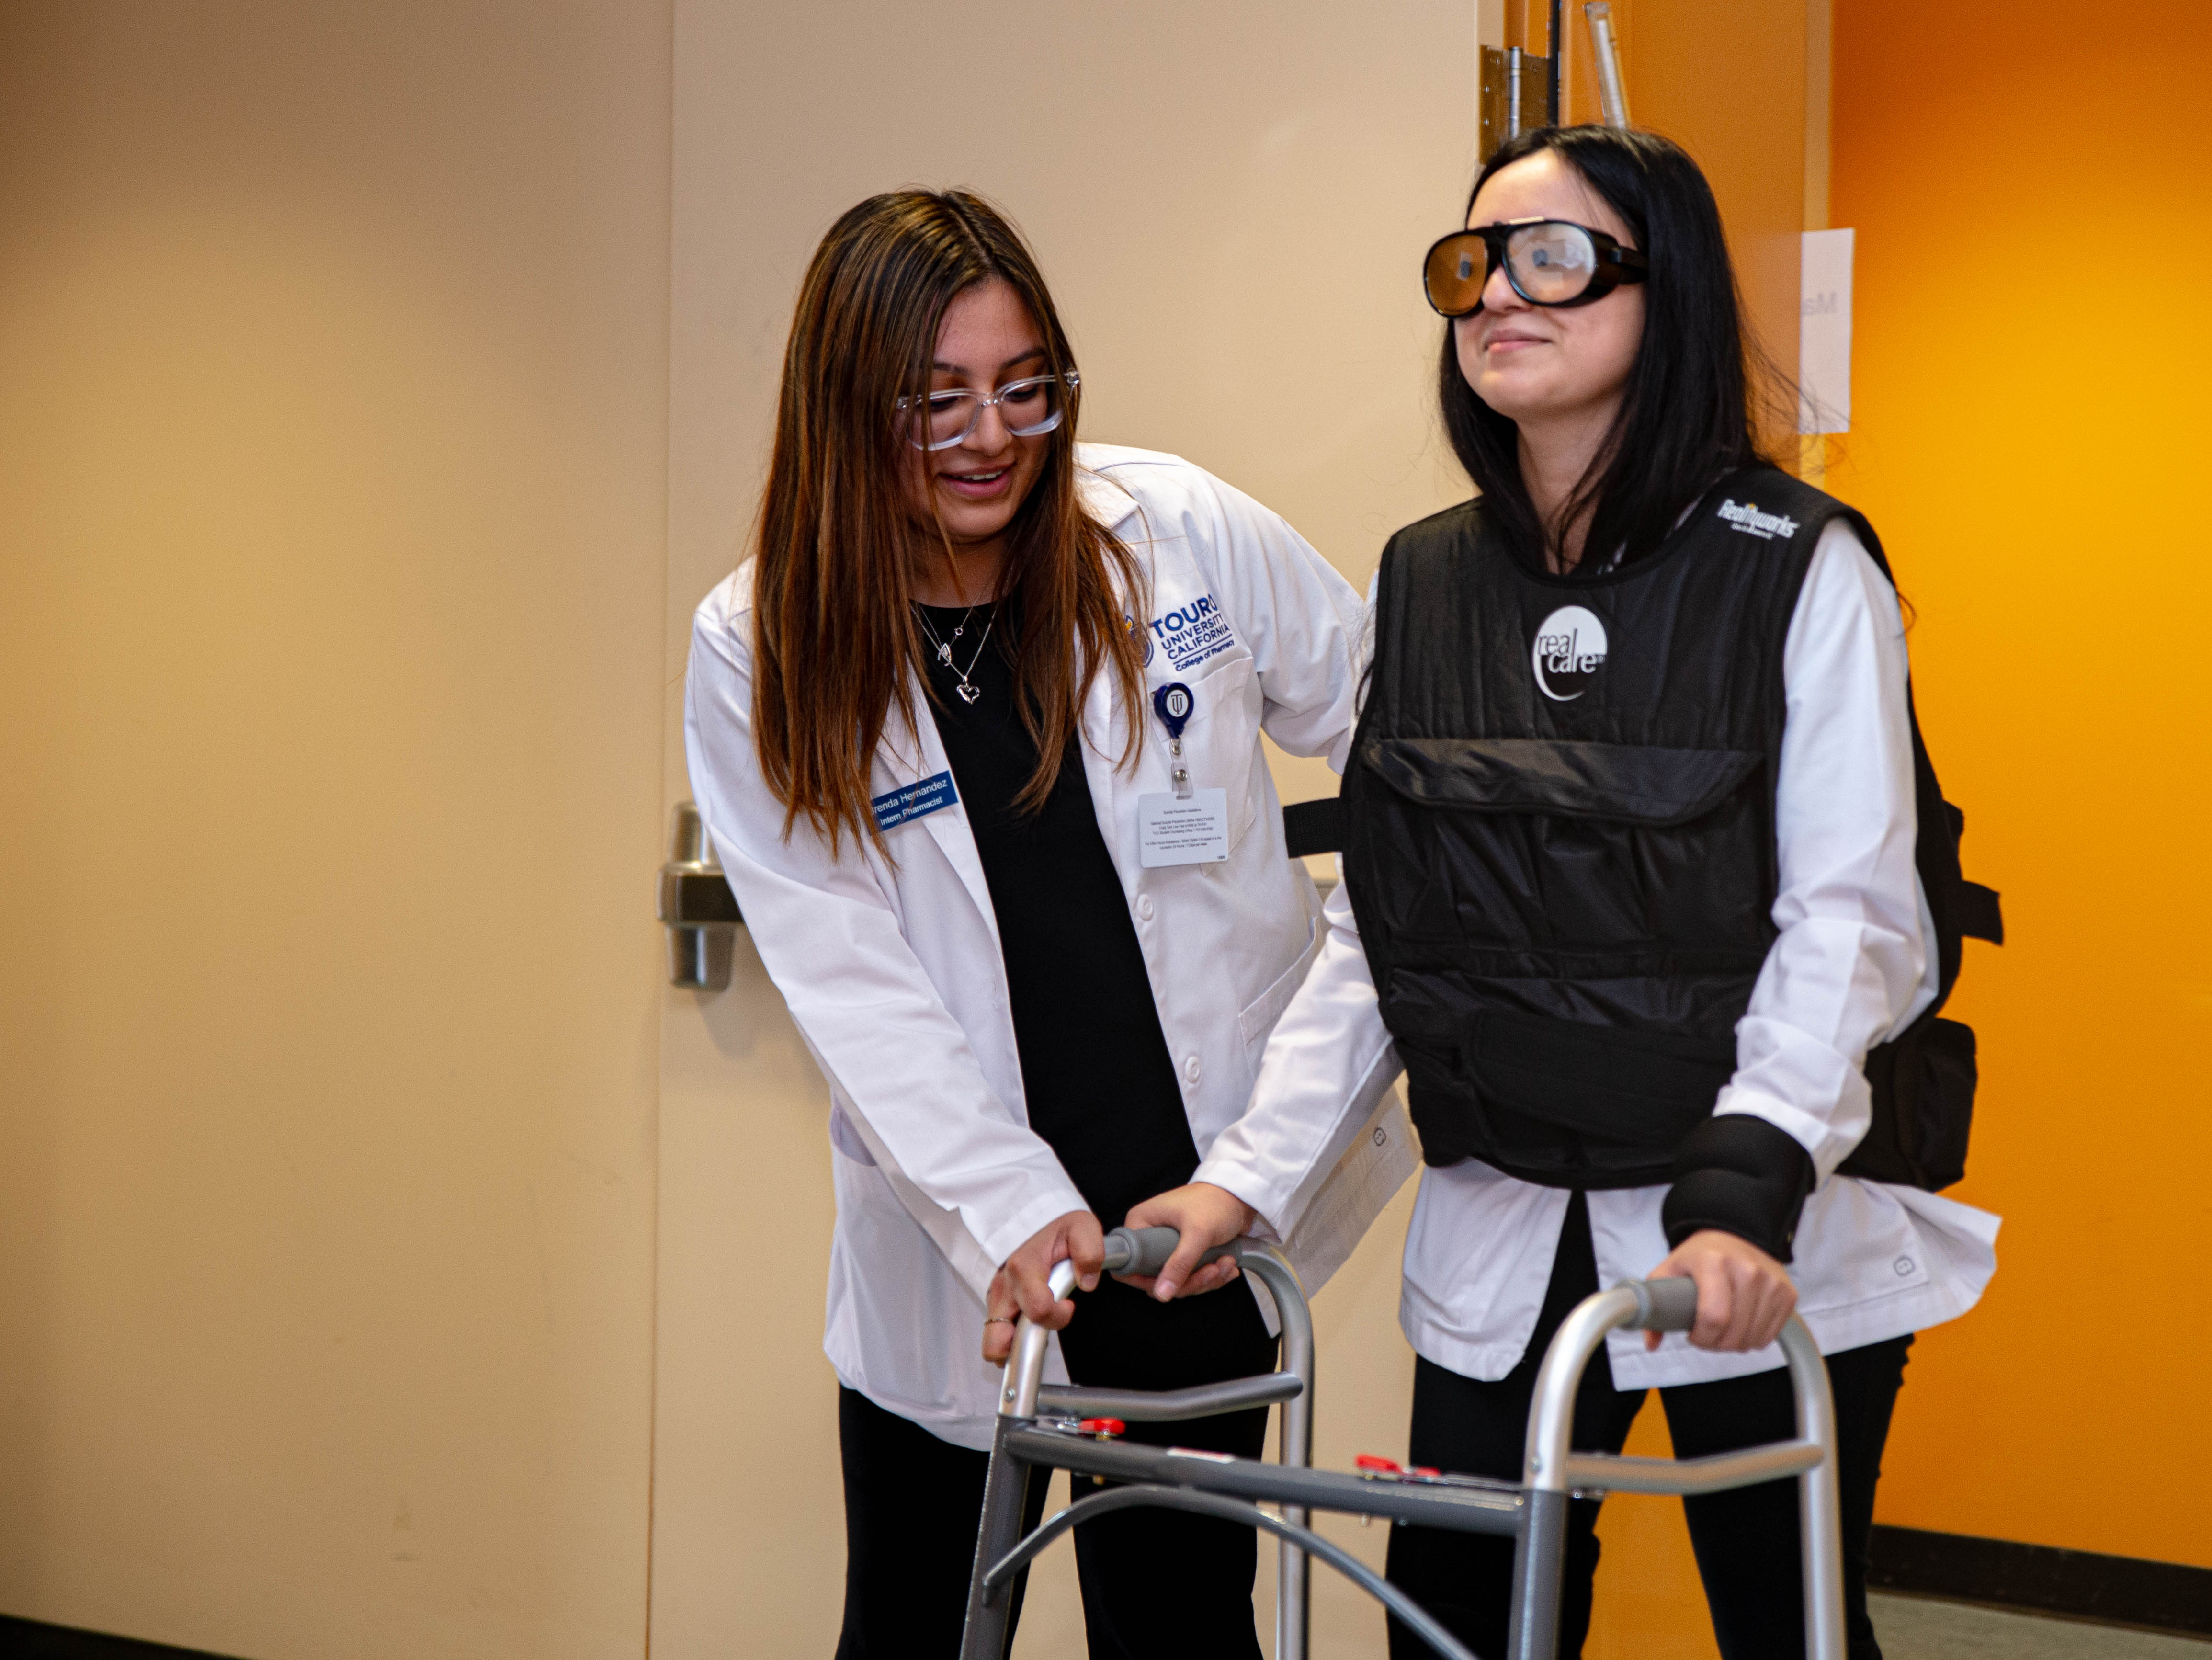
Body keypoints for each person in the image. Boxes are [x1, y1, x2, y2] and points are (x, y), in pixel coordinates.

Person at [1128, 127, 2001, 1660]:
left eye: (1552, 256)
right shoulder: (1428, 578)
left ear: (1661, 295)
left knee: (1785, 1629)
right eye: (1470, 263)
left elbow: (1849, 924)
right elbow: (1382, 931)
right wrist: (1245, 1179)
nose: (1495, 297)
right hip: (1505, 1209)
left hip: (1742, 1221)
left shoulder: (1797, 568)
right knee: (1457, 1629)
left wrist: (1741, 1195)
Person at [682, 188, 1410, 1660]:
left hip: (1189, 1224)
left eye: (1025, 387)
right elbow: (842, 971)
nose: (989, 434)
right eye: (934, 397)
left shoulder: (1175, 531)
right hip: (971, 1254)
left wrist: (1266, 1161)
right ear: (842, 406)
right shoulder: (761, 640)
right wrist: (1003, 1203)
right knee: (921, 1623)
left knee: (1184, 1628)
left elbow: (1410, 766)